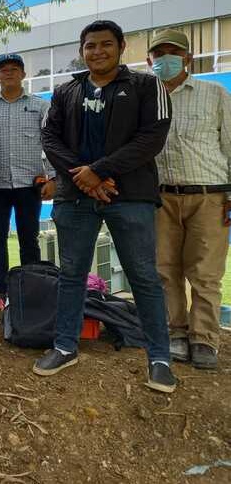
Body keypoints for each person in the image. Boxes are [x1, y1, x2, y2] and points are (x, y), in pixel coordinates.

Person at [36, 19, 176, 393]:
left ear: (121, 46)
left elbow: (152, 138)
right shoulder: (66, 92)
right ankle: (65, 346)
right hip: (75, 199)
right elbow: (49, 137)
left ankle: (159, 358)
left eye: (105, 44)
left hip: (130, 198)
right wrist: (81, 177)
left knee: (143, 276)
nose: (97, 51)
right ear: (82, 51)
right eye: (90, 46)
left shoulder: (147, 86)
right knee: (71, 274)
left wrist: (98, 171)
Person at [150, 29, 231, 370]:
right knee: (165, 270)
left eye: (172, 53)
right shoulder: (145, 97)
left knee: (205, 273)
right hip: (161, 198)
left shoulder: (214, 94)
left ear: (187, 57)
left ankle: (204, 339)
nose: (164, 60)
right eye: (158, 55)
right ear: (149, 60)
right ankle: (176, 334)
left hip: (208, 195)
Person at [0, 53, 55, 310]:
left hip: (28, 184)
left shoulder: (40, 106)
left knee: (28, 238)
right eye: (3, 70)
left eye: (14, 69)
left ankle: (30, 290)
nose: (9, 73)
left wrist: (52, 178)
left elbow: (51, 144)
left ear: (23, 74)